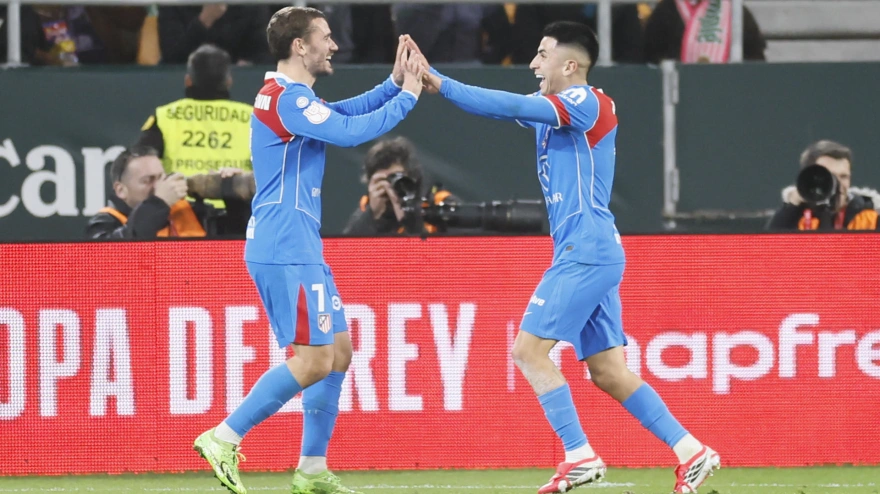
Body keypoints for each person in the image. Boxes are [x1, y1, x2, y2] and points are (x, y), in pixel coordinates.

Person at [416, 21, 720, 494]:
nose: (534, 63)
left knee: (527, 351)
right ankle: (691, 452)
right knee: (608, 371)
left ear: (570, 65)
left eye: (542, 54)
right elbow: (501, 108)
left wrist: (441, 82)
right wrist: (443, 88)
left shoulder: (585, 100)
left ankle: (578, 454)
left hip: (586, 249)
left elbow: (513, 104)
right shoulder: (555, 111)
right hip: (590, 249)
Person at [191, 6, 424, 494]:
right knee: (314, 359)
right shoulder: (286, 99)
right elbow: (350, 132)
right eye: (325, 36)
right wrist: (408, 96)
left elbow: (340, 115)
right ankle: (223, 436)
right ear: (301, 46)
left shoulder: (291, 98)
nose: (334, 45)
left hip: (299, 246)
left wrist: (391, 84)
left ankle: (312, 468)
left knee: (338, 352)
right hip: (284, 248)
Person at [136, 44, 254, 233]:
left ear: (188, 80)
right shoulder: (253, 118)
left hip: (181, 219)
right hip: (239, 219)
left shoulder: (165, 116)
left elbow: (139, 164)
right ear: (229, 81)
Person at [342, 136, 458, 235]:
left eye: (396, 178)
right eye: (382, 180)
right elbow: (346, 254)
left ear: (411, 177)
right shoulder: (368, 206)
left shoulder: (439, 202)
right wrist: (372, 215)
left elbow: (456, 254)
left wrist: (410, 218)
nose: (389, 187)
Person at [767, 140, 880, 231]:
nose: (838, 184)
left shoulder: (870, 216)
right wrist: (792, 205)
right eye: (830, 177)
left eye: (843, 176)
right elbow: (769, 250)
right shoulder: (796, 215)